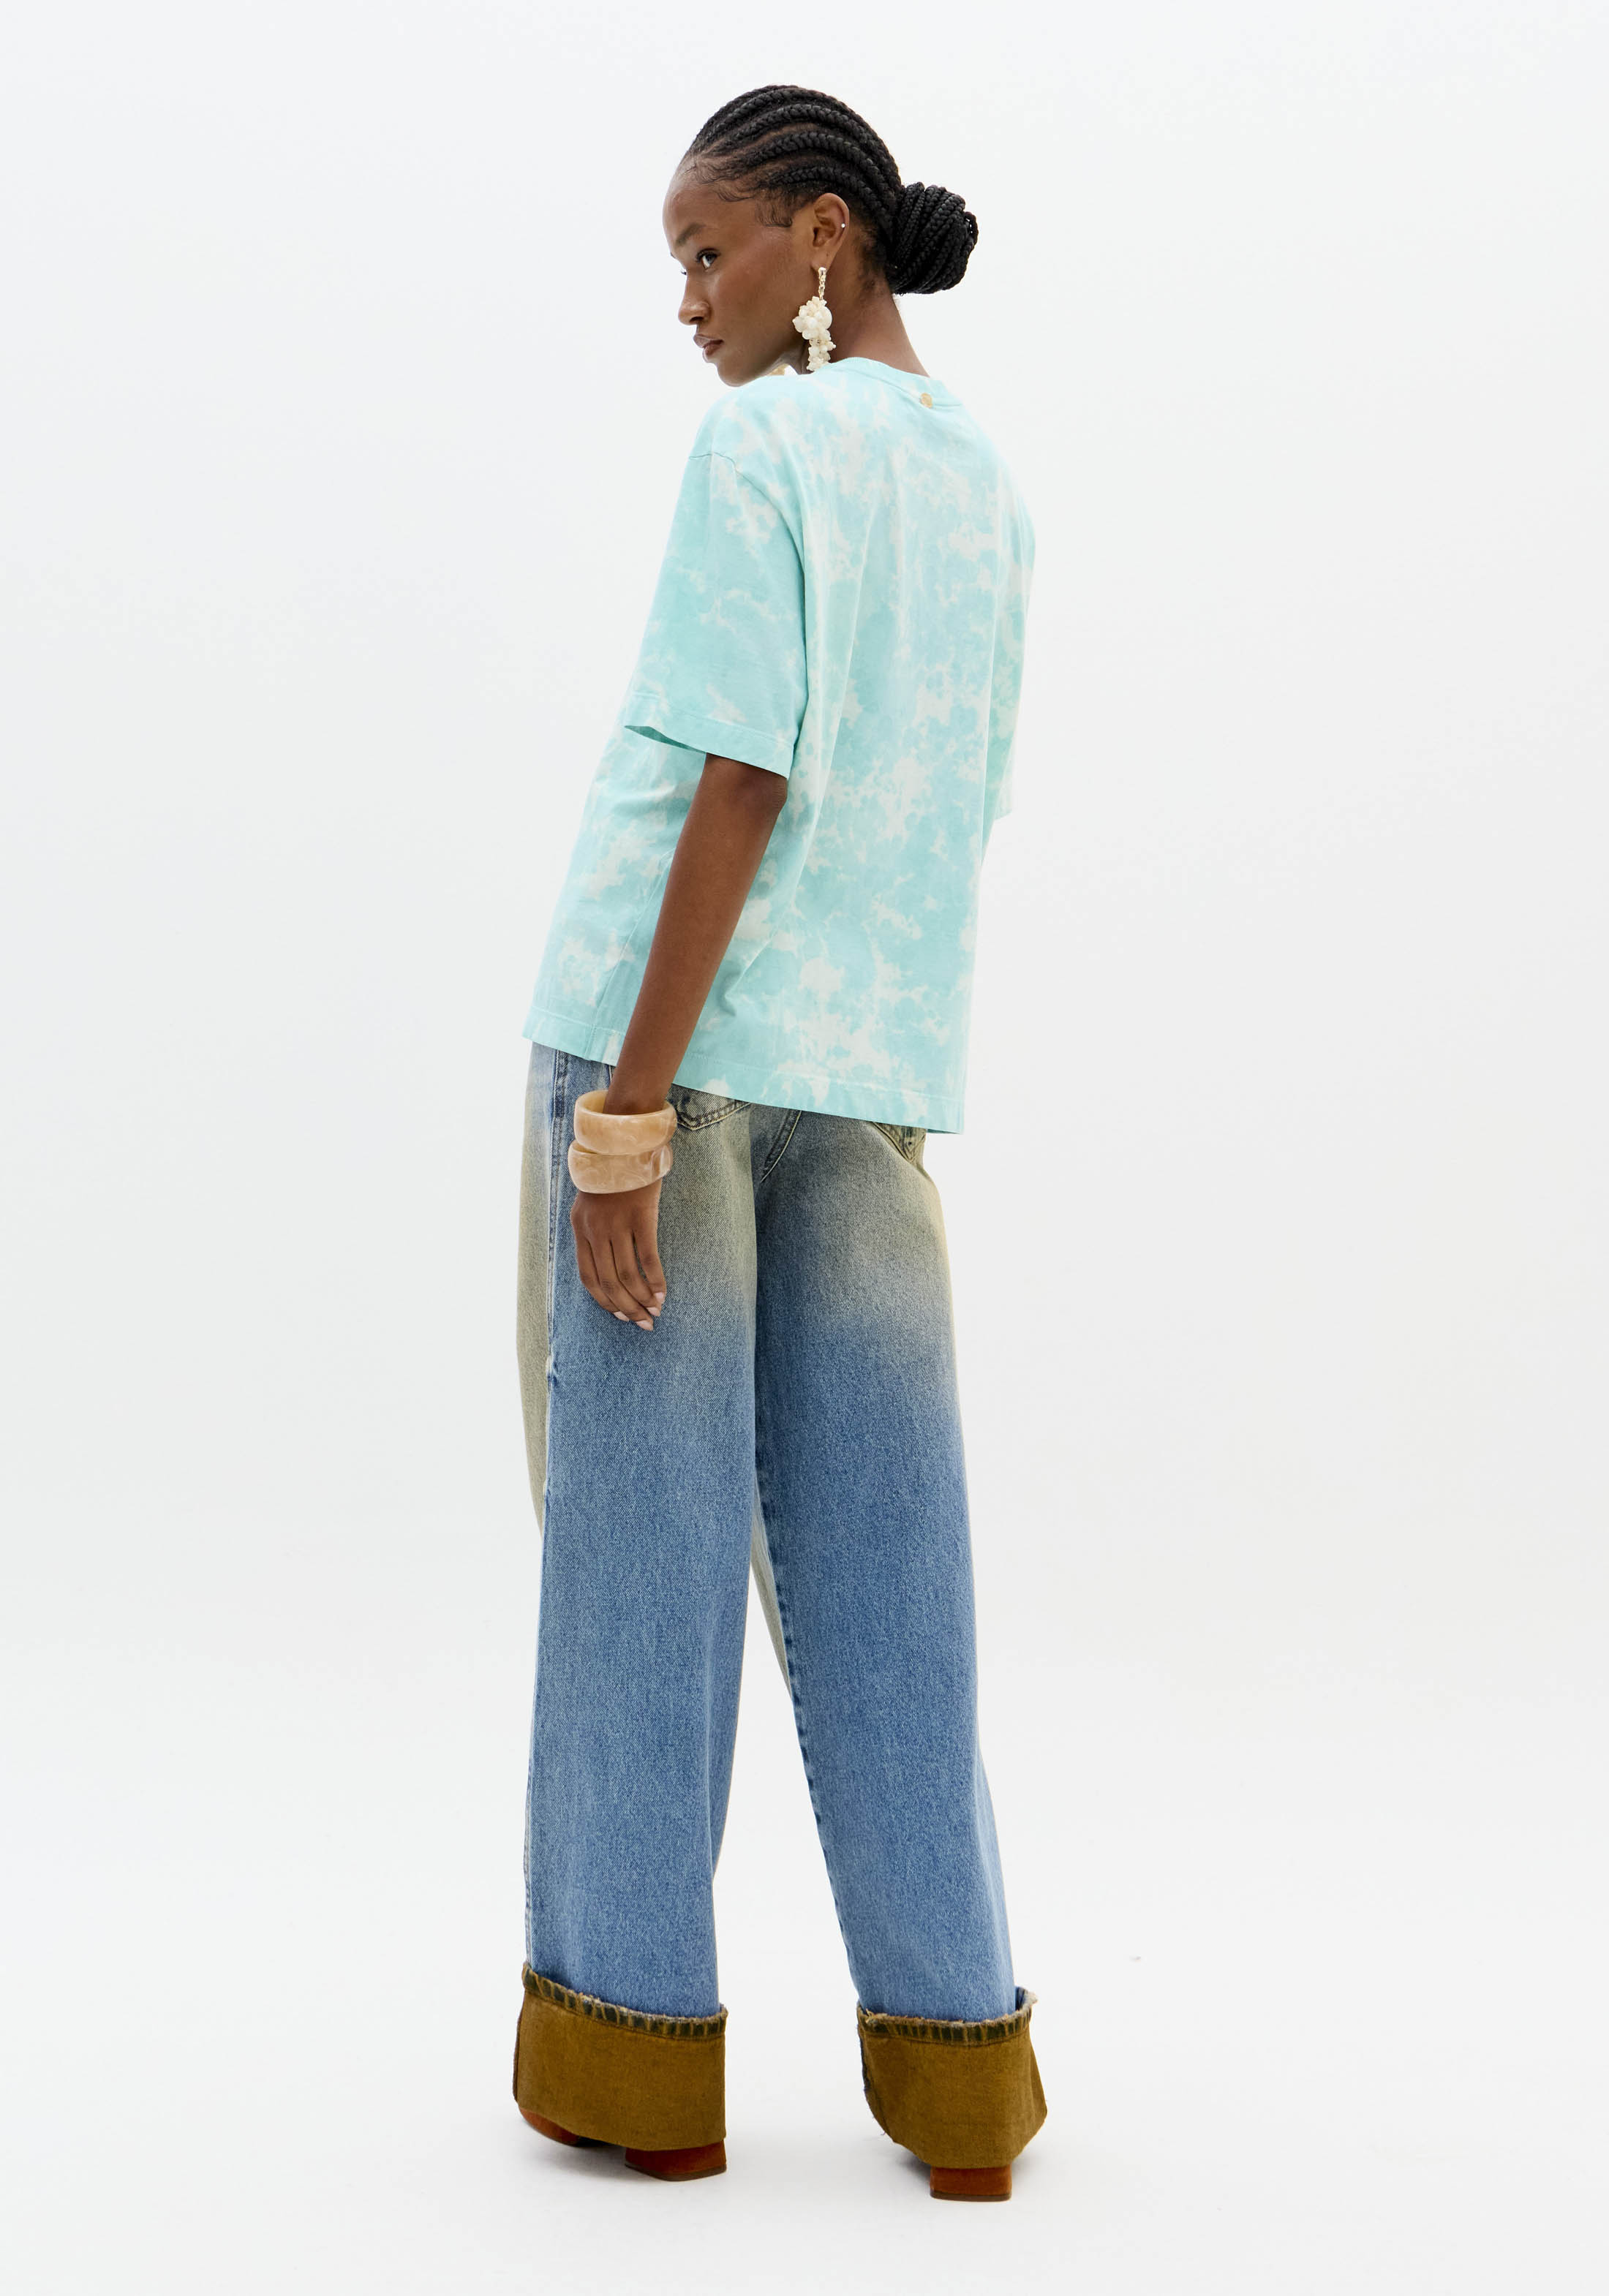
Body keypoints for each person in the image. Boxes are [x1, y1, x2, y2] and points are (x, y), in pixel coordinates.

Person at [510, 83, 1044, 2202]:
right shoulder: (988, 488)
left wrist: (628, 1110)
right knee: (898, 1572)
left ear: (826, 235)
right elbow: (955, 800)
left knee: (639, 1563)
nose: (689, 300)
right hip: (869, 1077)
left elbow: (740, 774)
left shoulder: (765, 449)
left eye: (707, 251)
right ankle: (964, 2084)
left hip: (665, 1051)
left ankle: (637, 2067)